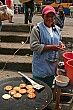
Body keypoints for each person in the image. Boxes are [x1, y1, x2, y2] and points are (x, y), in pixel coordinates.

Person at [30, 6, 65, 88]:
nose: (50, 18)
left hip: (52, 66)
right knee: (38, 90)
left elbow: (55, 39)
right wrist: (51, 47)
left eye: (52, 16)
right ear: (43, 17)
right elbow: (33, 46)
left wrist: (60, 44)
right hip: (40, 66)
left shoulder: (56, 29)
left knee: (48, 89)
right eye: (47, 16)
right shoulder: (37, 29)